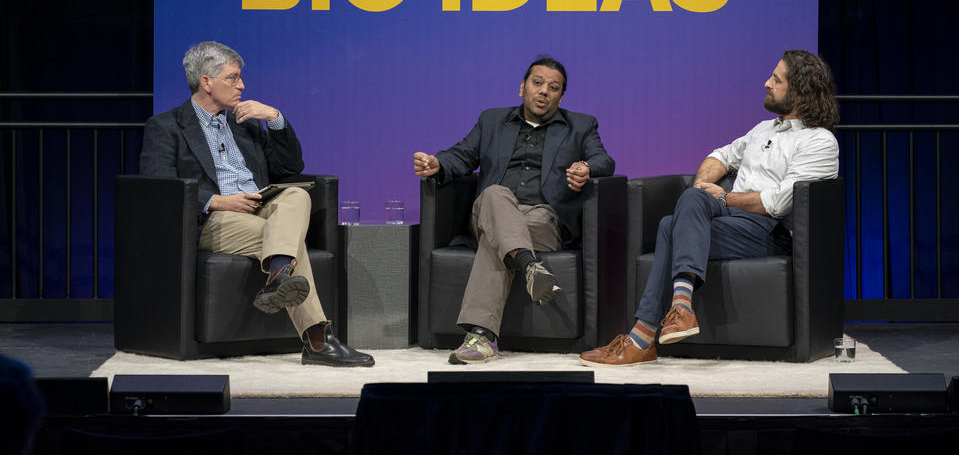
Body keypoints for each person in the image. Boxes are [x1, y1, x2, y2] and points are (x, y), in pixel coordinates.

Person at [580, 50, 839, 367]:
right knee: (685, 206)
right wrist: (704, 187)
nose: (766, 82)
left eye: (776, 79)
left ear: (799, 91)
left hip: (769, 230)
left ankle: (641, 338)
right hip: (730, 221)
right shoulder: (762, 130)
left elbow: (779, 201)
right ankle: (679, 309)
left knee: (667, 226)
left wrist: (723, 198)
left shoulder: (818, 141)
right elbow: (720, 156)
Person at [139, 41, 373, 367]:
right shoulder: (166, 127)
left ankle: (279, 275)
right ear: (206, 82)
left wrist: (275, 118)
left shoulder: (246, 123)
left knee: (297, 194)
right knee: (288, 238)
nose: (242, 86)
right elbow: (158, 187)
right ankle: (319, 340)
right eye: (233, 78)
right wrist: (216, 201)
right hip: (213, 220)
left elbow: (290, 169)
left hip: (261, 205)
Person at [413, 57, 615, 364]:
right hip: (491, 209)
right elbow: (461, 155)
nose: (544, 91)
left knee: (496, 241)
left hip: (543, 219)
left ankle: (482, 336)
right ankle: (529, 264)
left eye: (553, 87)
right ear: (522, 87)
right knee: (494, 193)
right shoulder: (492, 120)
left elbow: (605, 161)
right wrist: (438, 164)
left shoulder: (582, 125)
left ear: (561, 97)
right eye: (537, 83)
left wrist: (586, 167)